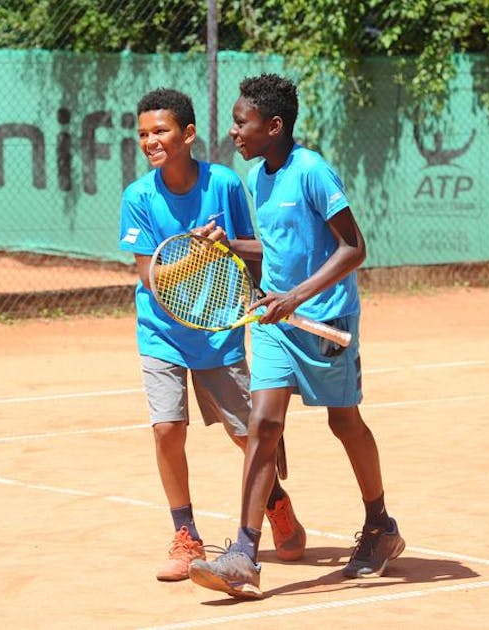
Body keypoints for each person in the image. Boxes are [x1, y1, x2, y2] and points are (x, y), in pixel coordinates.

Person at [188, 74, 405, 599]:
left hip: (324, 323)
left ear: (275, 125)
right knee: (263, 422)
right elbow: (280, 251)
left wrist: (296, 298)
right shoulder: (261, 176)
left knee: (344, 423)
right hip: (276, 323)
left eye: (243, 123)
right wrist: (229, 244)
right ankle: (243, 552)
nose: (234, 132)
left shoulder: (311, 171)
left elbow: (353, 248)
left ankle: (381, 525)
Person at [118, 87, 306, 583]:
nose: (150, 141)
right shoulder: (137, 198)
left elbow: (255, 250)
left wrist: (256, 284)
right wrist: (197, 256)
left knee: (246, 434)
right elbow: (151, 278)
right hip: (160, 331)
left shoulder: (223, 183)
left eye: (160, 131)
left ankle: (276, 503)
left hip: (219, 327)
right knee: (166, 428)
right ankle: (186, 536)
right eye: (142, 134)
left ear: (188, 134)